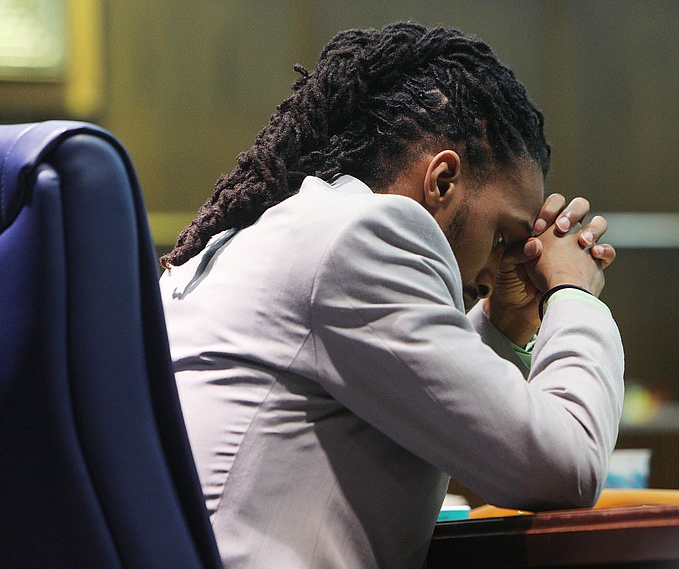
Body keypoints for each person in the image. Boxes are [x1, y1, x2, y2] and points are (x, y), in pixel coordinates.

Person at [159, 22, 624, 569]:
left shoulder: (296, 228)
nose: (495, 269)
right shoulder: (367, 234)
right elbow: (565, 468)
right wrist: (575, 296)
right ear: (443, 179)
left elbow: (422, 394)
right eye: (503, 238)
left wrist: (500, 322)